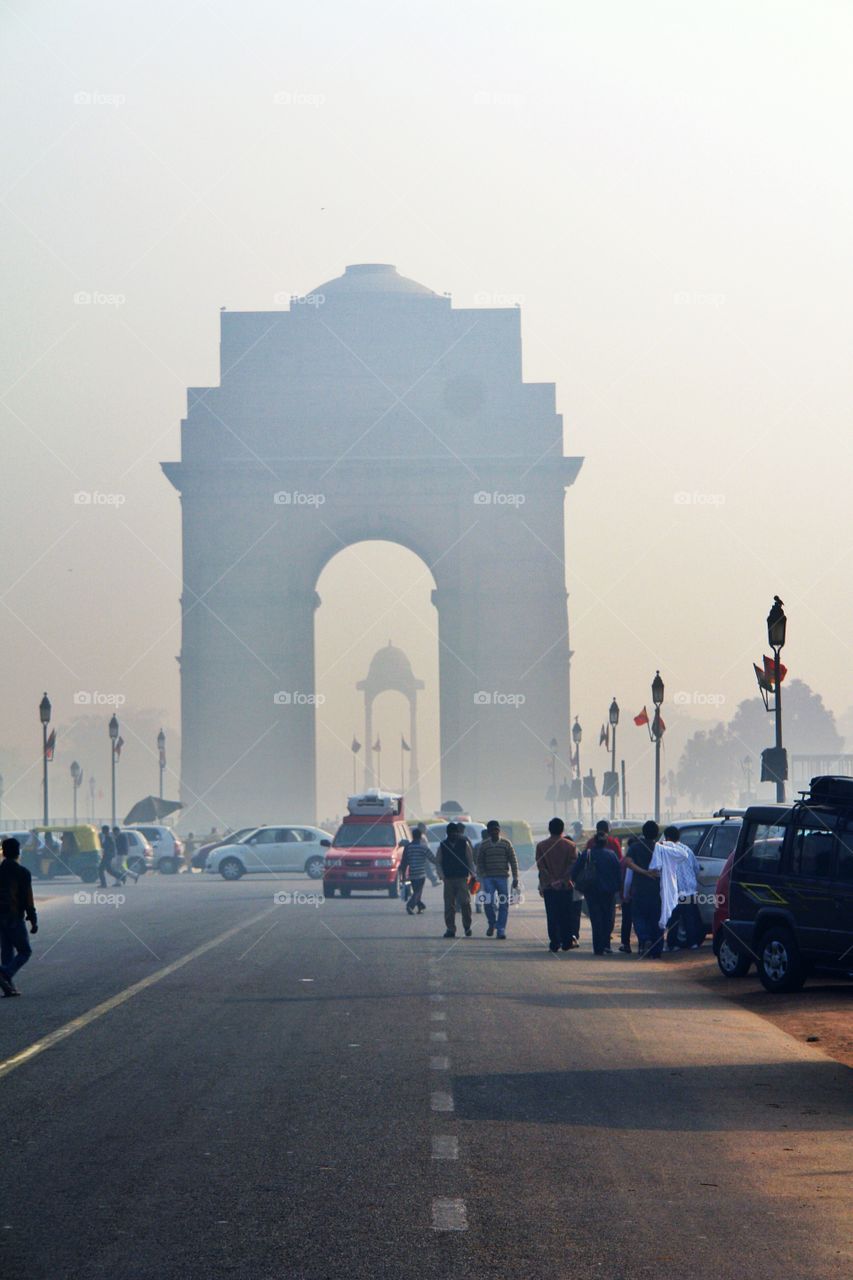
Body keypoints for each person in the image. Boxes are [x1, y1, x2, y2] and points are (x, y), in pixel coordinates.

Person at [653, 826, 703, 950]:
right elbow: (696, 868)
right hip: (690, 891)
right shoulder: (687, 850)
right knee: (689, 919)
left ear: (668, 838)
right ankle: (693, 943)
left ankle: (672, 944)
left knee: (673, 919)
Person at [0, 837, 38, 997]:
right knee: (25, 951)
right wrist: (33, 919)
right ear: (18, 852)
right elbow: (27, 899)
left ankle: (8, 987)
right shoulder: (22, 873)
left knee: (7, 951)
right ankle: (4, 973)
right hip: (14, 916)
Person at [574, 828, 621, 954]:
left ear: (594, 842)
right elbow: (619, 873)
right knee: (608, 919)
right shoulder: (612, 855)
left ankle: (598, 947)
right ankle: (606, 944)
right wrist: (619, 889)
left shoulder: (587, 854)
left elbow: (575, 871)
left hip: (591, 892)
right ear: (606, 842)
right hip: (609, 893)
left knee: (596, 919)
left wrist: (578, 884)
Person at [535, 817, 577, 951]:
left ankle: (554, 942)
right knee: (566, 914)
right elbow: (572, 866)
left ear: (549, 829)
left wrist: (552, 881)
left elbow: (541, 867)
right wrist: (563, 880)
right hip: (566, 887)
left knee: (552, 915)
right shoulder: (571, 846)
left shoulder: (541, 846)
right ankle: (566, 941)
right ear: (562, 829)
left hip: (549, 887)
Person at [623, 821, 664, 957]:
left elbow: (628, 863)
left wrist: (643, 872)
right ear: (657, 834)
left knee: (638, 917)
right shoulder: (661, 848)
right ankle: (656, 950)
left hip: (639, 889)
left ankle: (644, 938)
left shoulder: (635, 847)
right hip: (657, 890)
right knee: (656, 919)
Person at [476, 820, 519, 940]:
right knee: (488, 902)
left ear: (499, 830)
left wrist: (516, 877)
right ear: (489, 832)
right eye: (492, 830)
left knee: (503, 904)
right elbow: (479, 861)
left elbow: (513, 861)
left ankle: (500, 929)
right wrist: (483, 874)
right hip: (488, 877)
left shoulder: (506, 844)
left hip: (502, 877)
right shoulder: (484, 845)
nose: (495, 832)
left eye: (497, 829)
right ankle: (491, 923)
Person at [435, 823, 475, 938]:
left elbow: (470, 860)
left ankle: (467, 926)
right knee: (449, 905)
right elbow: (438, 862)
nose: (453, 835)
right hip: (448, 879)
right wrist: (441, 875)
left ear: (458, 833)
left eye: (455, 833)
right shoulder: (443, 845)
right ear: (447, 833)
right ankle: (450, 929)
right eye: (451, 833)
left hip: (462, 878)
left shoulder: (464, 844)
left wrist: (473, 874)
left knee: (465, 903)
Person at [400, 825, 432, 915]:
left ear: (412, 836)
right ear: (420, 836)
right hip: (421, 874)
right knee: (417, 892)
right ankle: (410, 906)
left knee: (416, 891)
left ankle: (420, 907)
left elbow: (404, 862)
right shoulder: (423, 847)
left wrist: (403, 876)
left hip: (412, 873)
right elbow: (432, 858)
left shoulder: (408, 847)